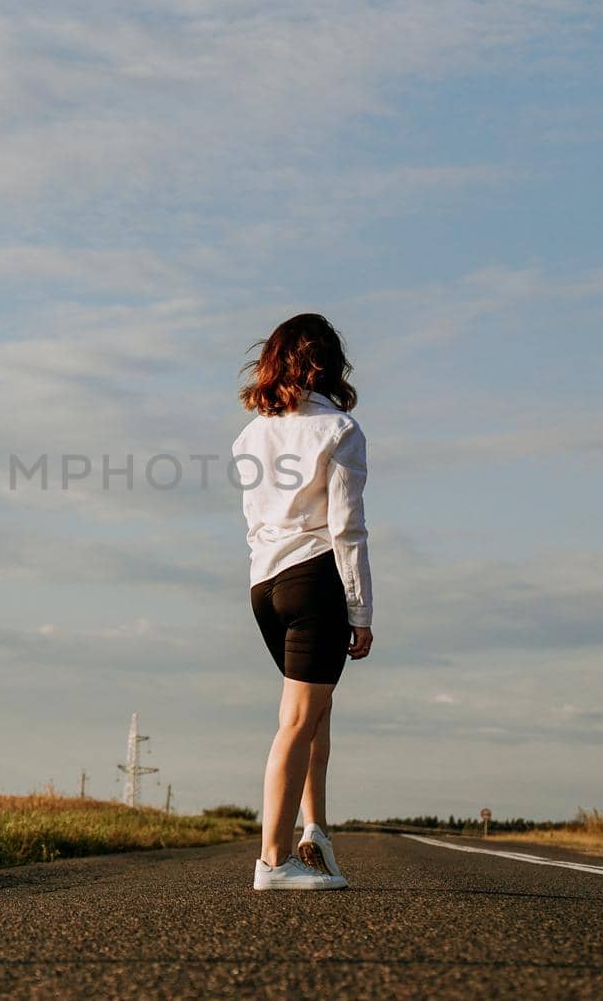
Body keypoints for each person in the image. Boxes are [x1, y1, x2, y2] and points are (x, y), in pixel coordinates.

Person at [231, 313, 374, 891]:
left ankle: (314, 827)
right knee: (296, 720)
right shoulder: (340, 430)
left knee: (315, 710)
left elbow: (252, 521)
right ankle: (273, 860)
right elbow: (348, 529)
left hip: (263, 585)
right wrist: (360, 611)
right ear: (329, 363)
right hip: (314, 578)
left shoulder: (249, 435)